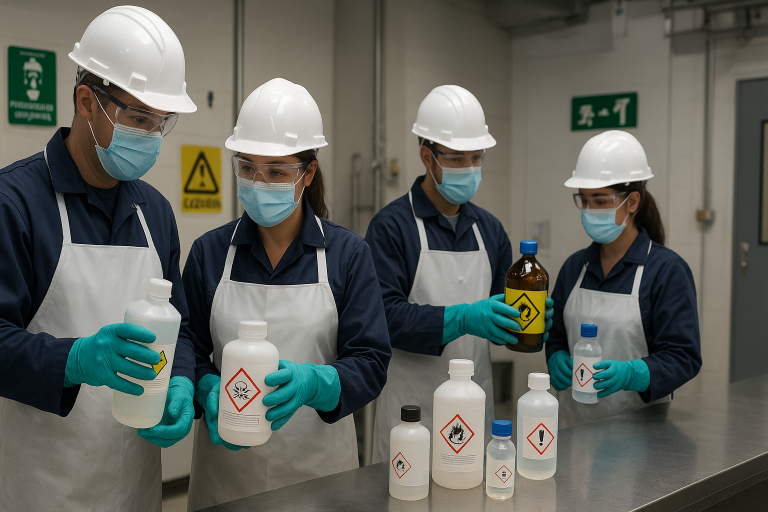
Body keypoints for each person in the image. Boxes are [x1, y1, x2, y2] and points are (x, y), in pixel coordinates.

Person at [0, 6, 198, 511]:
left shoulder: (154, 211)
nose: (151, 136)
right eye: (138, 118)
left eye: (161, 122)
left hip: (134, 488)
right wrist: (74, 359)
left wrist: (181, 381)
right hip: (44, 486)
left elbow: (185, 329)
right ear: (87, 101)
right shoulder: (17, 203)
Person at [184, 78, 390, 510]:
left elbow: (371, 361)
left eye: (276, 171)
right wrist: (205, 388)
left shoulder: (348, 254)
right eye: (247, 168)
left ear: (308, 172)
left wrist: (316, 382)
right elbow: (190, 349)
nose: (259, 183)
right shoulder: (209, 253)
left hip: (320, 477)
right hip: (226, 477)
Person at [366, 85, 554, 463]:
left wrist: (524, 321)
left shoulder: (489, 229)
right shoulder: (392, 227)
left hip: (474, 410)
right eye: (456, 159)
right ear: (426, 156)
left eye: (476, 158)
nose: (468, 169)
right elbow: (384, 317)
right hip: (410, 410)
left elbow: (503, 315)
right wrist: (464, 318)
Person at [546, 130, 702, 428]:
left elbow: (684, 357)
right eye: (585, 200)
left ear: (632, 202)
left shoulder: (666, 271)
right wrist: (555, 358)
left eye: (601, 201)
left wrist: (634, 373)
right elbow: (555, 336)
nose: (590, 210)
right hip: (572, 426)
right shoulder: (574, 267)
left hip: (640, 432)